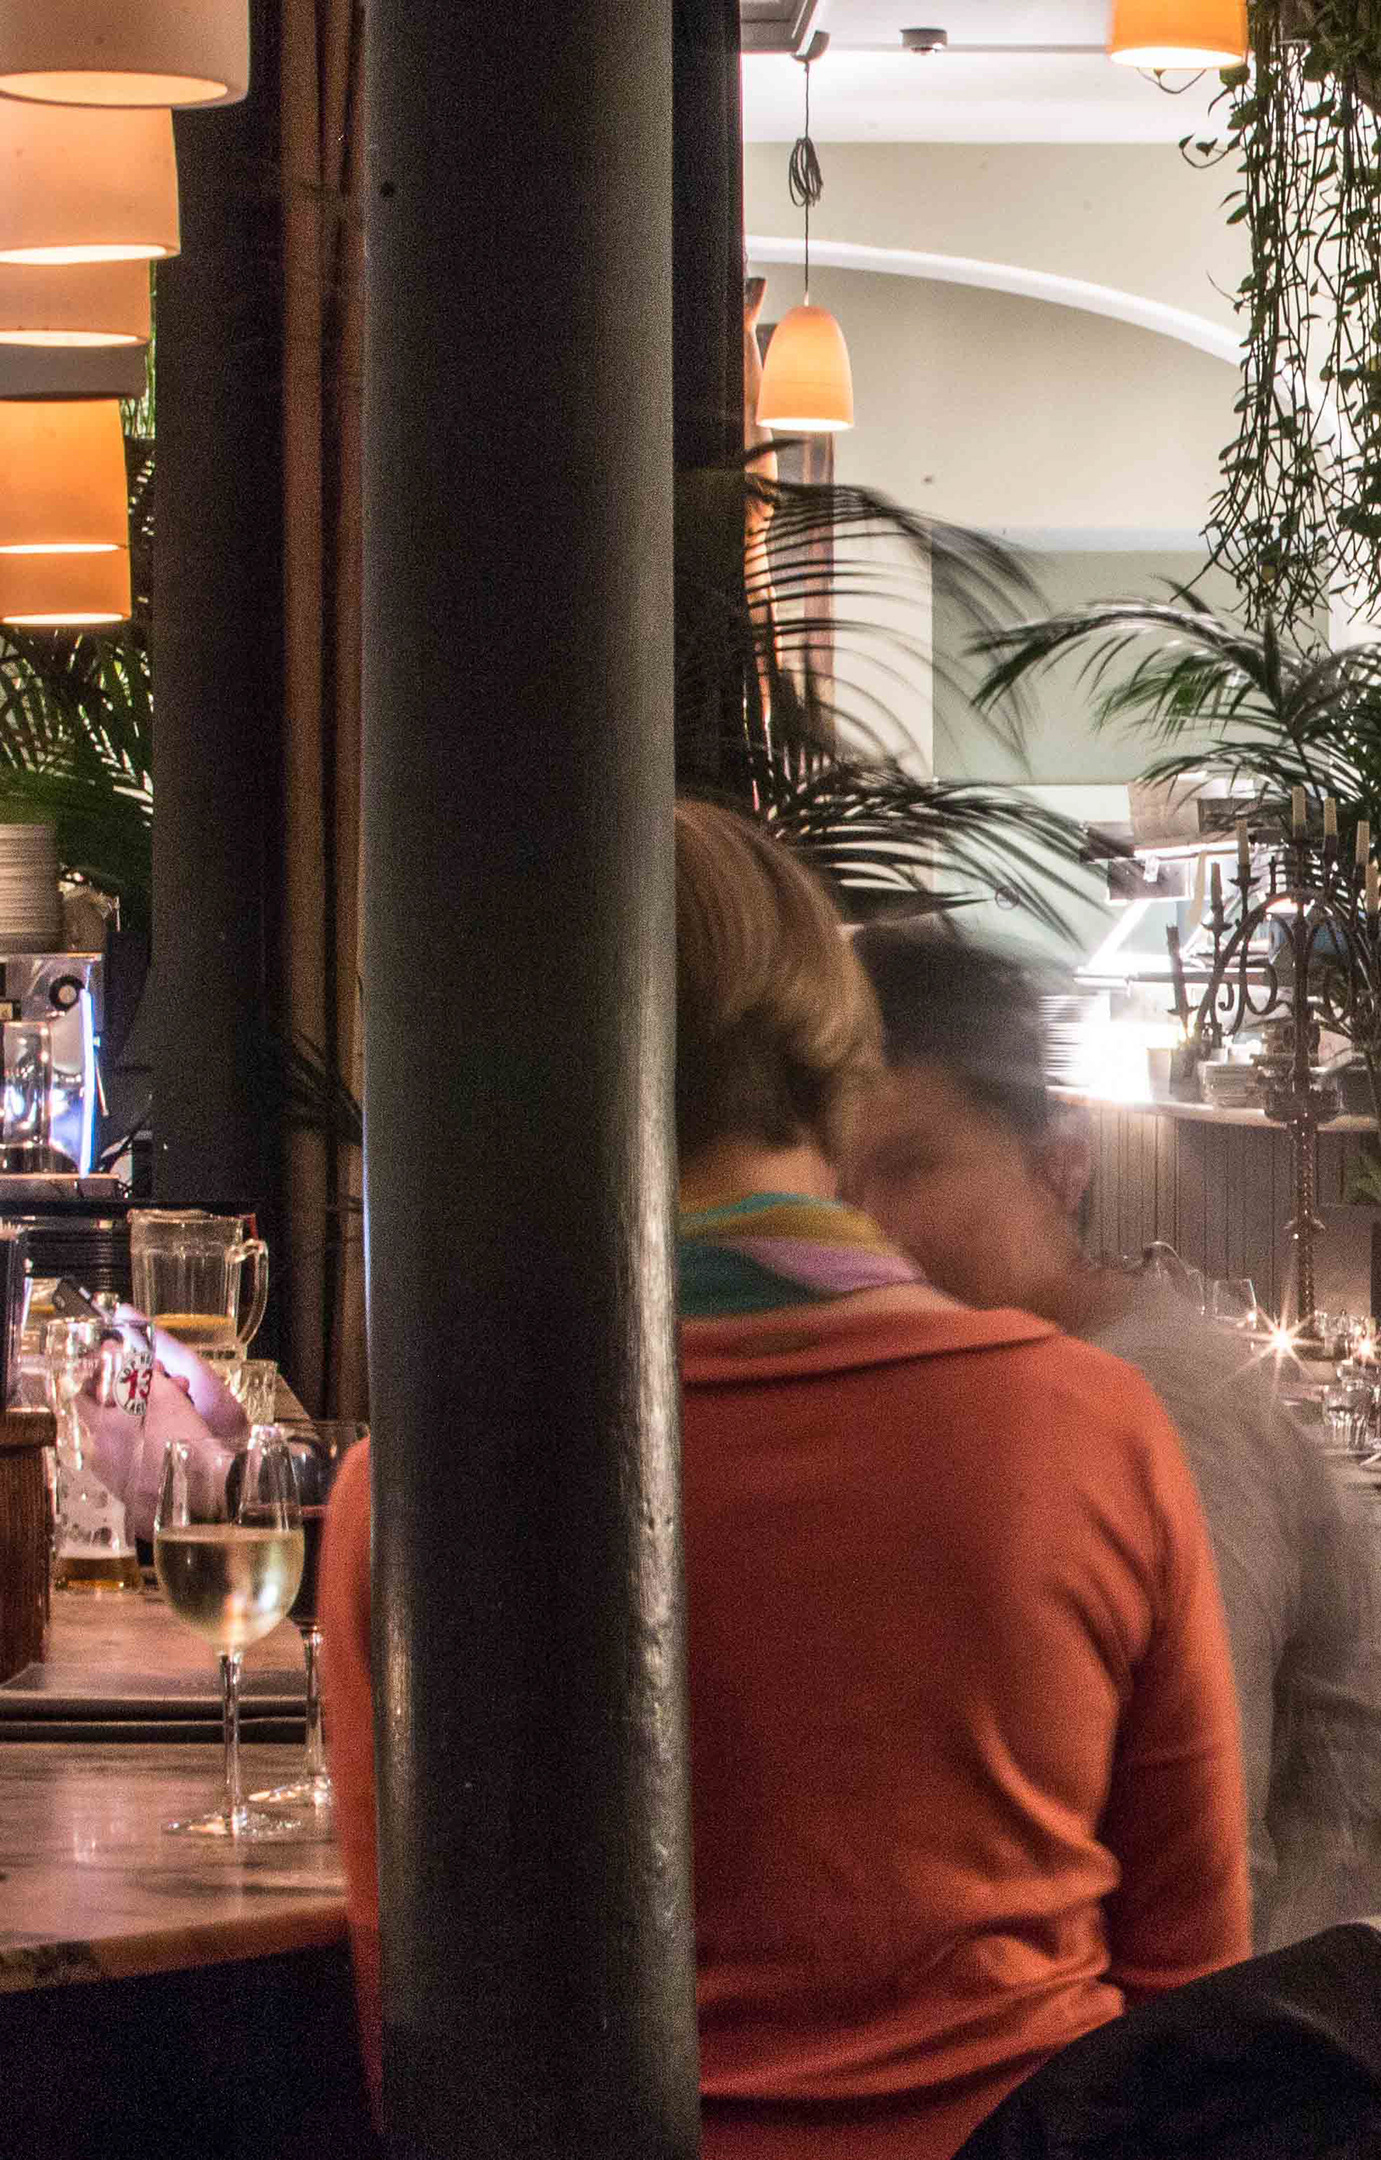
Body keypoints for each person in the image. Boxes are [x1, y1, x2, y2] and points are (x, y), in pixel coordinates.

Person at [319, 804, 1250, 2160]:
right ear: (841, 1068)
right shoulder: (1091, 1427)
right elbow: (1195, 1997)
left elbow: (415, 2037)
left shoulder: (413, 1492)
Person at [845, 928, 1381, 1955]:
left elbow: (1215, 1866)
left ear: (1058, 1165)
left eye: (913, 1167)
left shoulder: (1158, 1400)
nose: (869, 1226)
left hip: (1351, 2002)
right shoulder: (996, 1397)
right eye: (840, 1186)